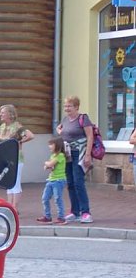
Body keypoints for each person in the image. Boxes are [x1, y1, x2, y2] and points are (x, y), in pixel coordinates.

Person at [55, 95, 93, 223]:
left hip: (79, 153)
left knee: (78, 182)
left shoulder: (83, 118)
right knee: (70, 183)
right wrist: (60, 132)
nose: (66, 108)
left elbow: (90, 137)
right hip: (67, 154)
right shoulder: (65, 119)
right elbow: (65, 133)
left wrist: (88, 155)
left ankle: (86, 212)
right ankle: (75, 212)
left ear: (76, 107)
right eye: (65, 106)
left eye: (69, 106)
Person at [0, 104, 33, 207]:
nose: (0, 114)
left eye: (3, 113)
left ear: (10, 114)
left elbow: (30, 135)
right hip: (6, 158)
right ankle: (10, 205)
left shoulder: (17, 126)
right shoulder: (2, 126)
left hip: (16, 158)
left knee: (15, 183)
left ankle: (14, 207)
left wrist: (19, 142)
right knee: (9, 183)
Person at [36, 137, 67, 224]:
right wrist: (48, 165)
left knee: (58, 199)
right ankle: (47, 216)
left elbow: (49, 164)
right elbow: (46, 167)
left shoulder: (60, 155)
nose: (49, 146)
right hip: (51, 180)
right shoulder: (53, 156)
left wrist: (47, 163)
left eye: (51, 144)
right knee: (45, 198)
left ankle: (61, 217)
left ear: (57, 146)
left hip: (59, 180)